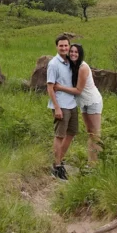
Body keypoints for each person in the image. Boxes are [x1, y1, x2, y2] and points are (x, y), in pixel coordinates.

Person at [53, 43, 103, 164]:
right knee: (90, 132)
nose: (73, 54)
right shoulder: (71, 65)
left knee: (95, 134)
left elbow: (78, 90)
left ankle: (95, 164)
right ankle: (90, 162)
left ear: (80, 54)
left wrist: (59, 87)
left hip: (92, 101)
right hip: (83, 103)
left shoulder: (82, 67)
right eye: (72, 52)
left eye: (76, 52)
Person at [46, 34, 77, 180]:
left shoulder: (70, 61)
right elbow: (50, 87)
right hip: (61, 105)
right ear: (56, 47)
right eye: (61, 46)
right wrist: (57, 108)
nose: (64, 48)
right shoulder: (53, 64)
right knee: (60, 135)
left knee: (71, 133)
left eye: (66, 45)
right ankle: (56, 167)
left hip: (72, 103)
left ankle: (60, 161)